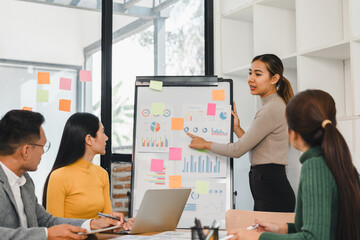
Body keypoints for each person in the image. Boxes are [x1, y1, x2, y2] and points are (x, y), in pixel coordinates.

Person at [228, 89, 360, 240]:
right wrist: (283, 228)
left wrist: (257, 237)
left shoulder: (315, 166)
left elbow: (313, 238)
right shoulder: (339, 161)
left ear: (294, 131)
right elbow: (325, 227)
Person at [187, 54, 295, 212]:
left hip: (272, 188)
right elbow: (257, 146)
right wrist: (237, 128)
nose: (251, 79)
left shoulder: (271, 108)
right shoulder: (272, 105)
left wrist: (206, 144)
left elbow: (238, 150)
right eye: (250, 73)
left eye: (258, 74)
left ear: (274, 79)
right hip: (269, 184)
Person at [0, 110, 126, 240]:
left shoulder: (25, 181)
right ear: (26, 151)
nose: (43, 152)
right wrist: (46, 234)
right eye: (42, 146)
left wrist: (93, 224)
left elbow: (47, 221)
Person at [42, 112, 127, 221]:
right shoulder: (59, 176)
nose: (106, 138)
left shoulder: (101, 174)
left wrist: (123, 224)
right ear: (89, 139)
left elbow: (107, 221)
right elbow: (55, 226)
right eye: (102, 132)